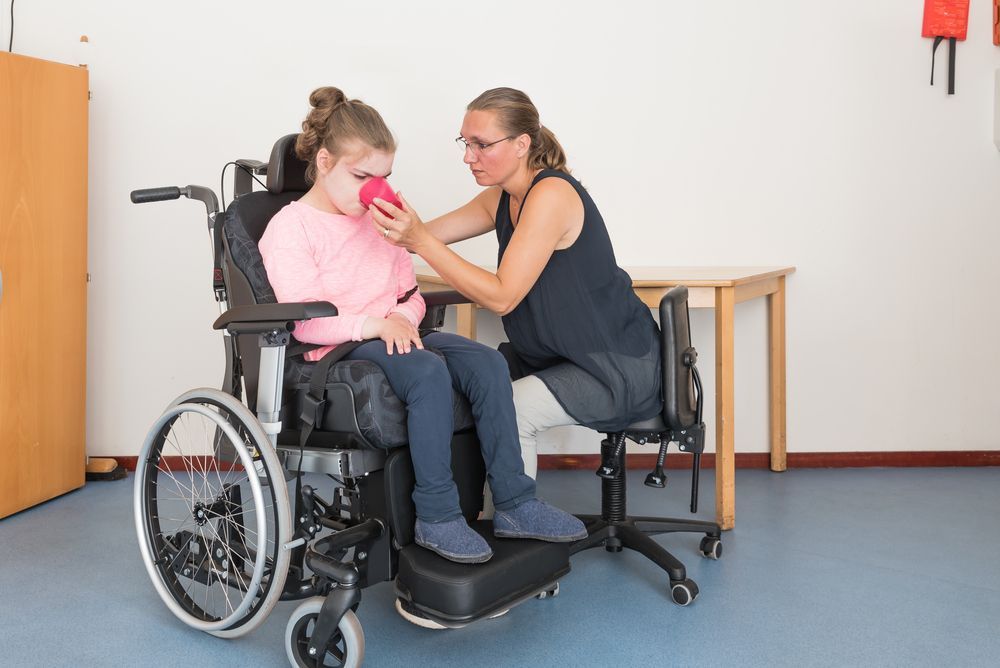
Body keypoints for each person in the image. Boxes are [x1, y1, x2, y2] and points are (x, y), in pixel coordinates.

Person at [258, 86, 586, 565]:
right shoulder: (292, 228)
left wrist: (398, 317)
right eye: (361, 176)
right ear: (324, 162)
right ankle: (438, 517)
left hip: (391, 333)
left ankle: (516, 504)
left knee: (486, 363)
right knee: (426, 372)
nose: (375, 189)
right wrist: (376, 324)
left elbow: (410, 294)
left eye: (385, 176)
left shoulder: (379, 218)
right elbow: (305, 325)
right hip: (337, 349)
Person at [371, 87, 662, 486]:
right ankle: (460, 513)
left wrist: (419, 240)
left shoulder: (552, 194)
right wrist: (385, 229)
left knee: (514, 407)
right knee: (468, 381)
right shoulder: (502, 198)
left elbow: (501, 296)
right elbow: (428, 234)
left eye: (481, 144)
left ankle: (515, 522)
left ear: (522, 144)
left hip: (610, 365)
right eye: (465, 142)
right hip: (558, 356)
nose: (468, 156)